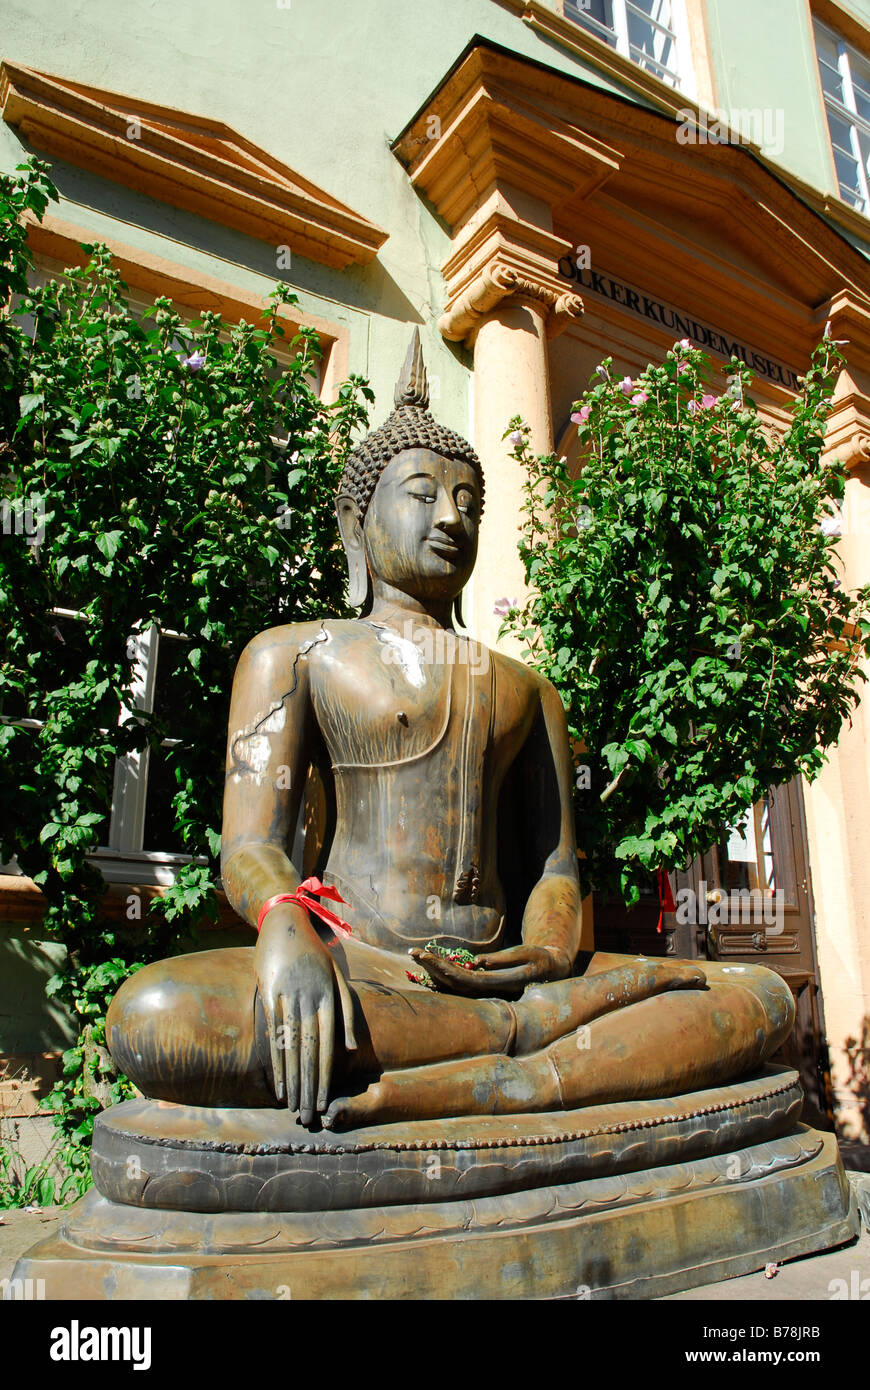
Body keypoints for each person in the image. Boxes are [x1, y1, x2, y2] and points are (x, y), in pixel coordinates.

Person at [107, 333, 794, 1129]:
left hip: (514, 979)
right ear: (356, 521)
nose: (449, 517)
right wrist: (285, 924)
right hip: (363, 968)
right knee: (156, 1016)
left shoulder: (527, 687)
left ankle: (510, 1063)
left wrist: (543, 951)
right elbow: (250, 847)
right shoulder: (298, 653)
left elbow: (555, 870)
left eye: (469, 502)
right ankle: (524, 1055)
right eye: (423, 494)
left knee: (755, 998)